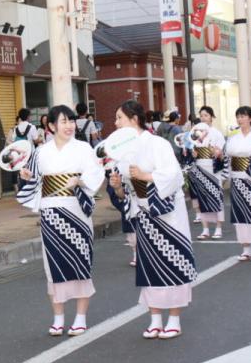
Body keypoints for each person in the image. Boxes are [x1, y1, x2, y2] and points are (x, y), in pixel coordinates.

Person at [108, 101, 196, 339]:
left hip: (166, 213)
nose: (115, 123)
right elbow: (125, 192)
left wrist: (146, 175)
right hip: (143, 212)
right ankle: (155, 318)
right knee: (149, 266)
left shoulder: (157, 143)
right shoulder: (121, 151)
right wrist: (118, 188)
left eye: (119, 118)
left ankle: (174, 318)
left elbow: (174, 175)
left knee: (173, 261)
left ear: (134, 119)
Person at [17, 105, 105, 336]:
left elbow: (96, 173)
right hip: (51, 212)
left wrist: (79, 181)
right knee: (53, 265)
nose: (69, 126)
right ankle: (58, 317)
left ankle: (80, 317)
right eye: (64, 121)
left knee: (80, 262)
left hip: (76, 211)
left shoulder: (84, 148)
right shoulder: (41, 152)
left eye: (71, 121)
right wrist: (27, 175)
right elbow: (33, 177)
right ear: (52, 126)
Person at [224, 106, 251, 261]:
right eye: (238, 116)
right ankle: (246, 247)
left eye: (243, 116)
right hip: (236, 178)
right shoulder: (234, 137)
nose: (240, 119)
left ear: (250, 118)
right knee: (240, 213)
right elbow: (228, 156)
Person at [187, 106, 225, 239]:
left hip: (212, 169)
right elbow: (190, 149)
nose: (203, 118)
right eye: (201, 115)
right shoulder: (195, 132)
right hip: (199, 168)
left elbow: (221, 154)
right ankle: (205, 229)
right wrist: (193, 153)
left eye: (206, 115)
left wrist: (217, 152)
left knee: (216, 196)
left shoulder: (217, 133)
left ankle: (218, 227)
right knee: (202, 197)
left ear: (212, 117)